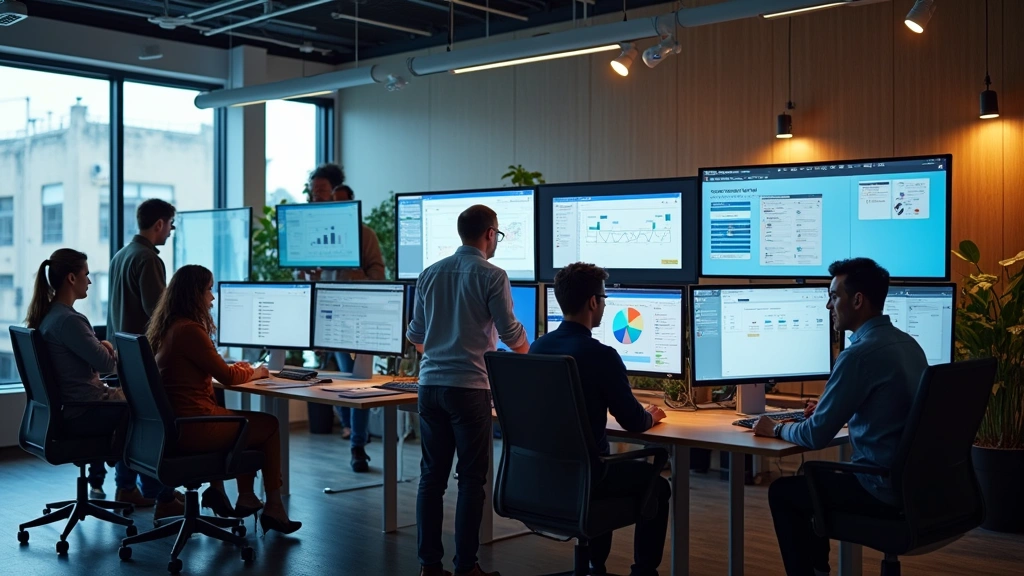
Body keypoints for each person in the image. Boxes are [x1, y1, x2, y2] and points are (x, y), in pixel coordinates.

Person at [753, 257, 928, 576]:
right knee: (810, 483)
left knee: (784, 492)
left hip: (880, 487)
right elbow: (887, 409)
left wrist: (776, 428)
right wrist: (831, 407)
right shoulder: (908, 344)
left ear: (858, 300)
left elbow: (815, 436)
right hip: (918, 486)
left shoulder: (858, 355)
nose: (827, 306)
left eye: (834, 296)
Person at [406, 205, 528, 576]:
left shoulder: (429, 274)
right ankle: (466, 567)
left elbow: (417, 338)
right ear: (490, 234)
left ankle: (429, 565)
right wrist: (524, 352)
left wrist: (444, 349)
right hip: (470, 389)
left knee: (432, 478)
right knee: (471, 481)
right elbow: (511, 334)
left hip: (430, 387)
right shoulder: (493, 275)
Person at [529, 262, 670, 576]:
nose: (604, 304)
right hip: (587, 481)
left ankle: (596, 566)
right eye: (604, 298)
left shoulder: (538, 348)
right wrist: (650, 416)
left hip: (536, 480)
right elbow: (633, 422)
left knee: (598, 464)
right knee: (656, 487)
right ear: (593, 302)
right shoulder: (601, 355)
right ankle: (642, 572)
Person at [147, 265, 301, 534]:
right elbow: (228, 377)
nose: (213, 298)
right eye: (209, 290)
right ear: (194, 294)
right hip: (193, 428)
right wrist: (256, 371)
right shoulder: (190, 331)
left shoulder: (170, 327)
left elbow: (215, 369)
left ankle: (242, 495)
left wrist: (240, 369)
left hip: (175, 427)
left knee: (243, 420)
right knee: (268, 426)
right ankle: (273, 507)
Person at [104, 198, 181, 519]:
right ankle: (161, 495)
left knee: (131, 424)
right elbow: (157, 314)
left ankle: (126, 487)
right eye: (171, 225)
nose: (171, 231)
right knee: (153, 426)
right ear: (159, 224)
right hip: (143, 359)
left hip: (121, 356)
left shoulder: (121, 255)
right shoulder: (148, 259)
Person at [26, 250, 125, 455]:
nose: (89, 281)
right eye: (86, 274)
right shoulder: (70, 321)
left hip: (69, 409)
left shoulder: (49, 315)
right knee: (147, 410)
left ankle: (105, 478)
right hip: (84, 410)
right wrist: (106, 346)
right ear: (71, 278)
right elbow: (106, 365)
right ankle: (136, 484)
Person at [329, 182, 386, 472]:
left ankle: (358, 446)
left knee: (357, 382)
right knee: (339, 382)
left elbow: (379, 274)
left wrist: (357, 274)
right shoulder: (322, 234)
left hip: (359, 316)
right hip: (330, 315)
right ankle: (353, 430)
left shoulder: (365, 236)